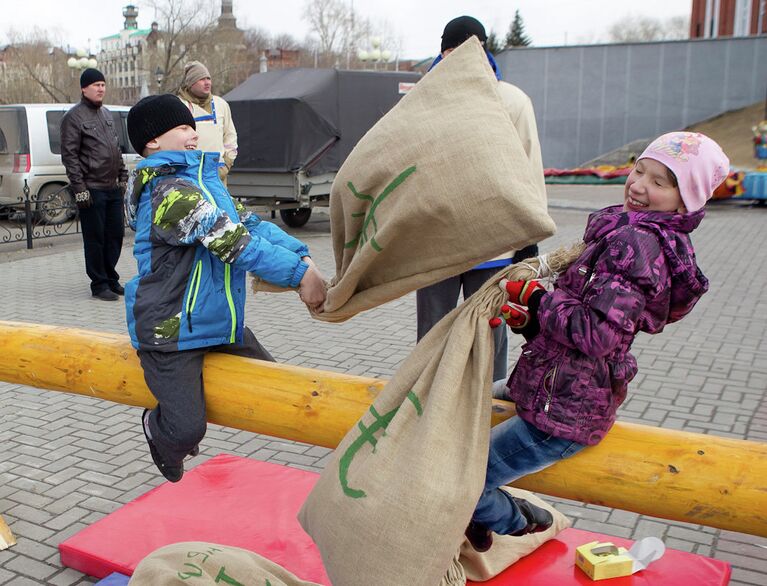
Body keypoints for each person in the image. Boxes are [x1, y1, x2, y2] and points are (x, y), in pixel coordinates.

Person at [464, 131, 729, 552]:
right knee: (464, 403)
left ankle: (516, 520)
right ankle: (478, 517)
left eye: (660, 182)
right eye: (639, 170)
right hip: (547, 386)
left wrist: (538, 297)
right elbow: (584, 321)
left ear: (686, 200)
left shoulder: (636, 244)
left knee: (464, 478)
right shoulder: (626, 230)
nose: (639, 186)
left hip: (562, 415)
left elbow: (597, 335)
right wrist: (532, 320)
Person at [124, 94, 326, 482]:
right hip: (171, 331)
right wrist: (299, 278)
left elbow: (249, 224)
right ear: (152, 141)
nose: (193, 133)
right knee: (187, 428)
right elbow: (230, 241)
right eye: (182, 127)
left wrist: (301, 257)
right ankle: (158, 429)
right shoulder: (168, 192)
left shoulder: (204, 182)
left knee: (274, 384)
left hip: (214, 323)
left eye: (192, 125)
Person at [416, 15, 546, 383]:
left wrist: (527, 241)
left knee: (490, 334)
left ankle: (487, 411)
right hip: (435, 246)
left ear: (482, 49)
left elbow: (529, 168)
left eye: (468, 49)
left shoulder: (512, 101)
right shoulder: (423, 103)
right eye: (451, 50)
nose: (458, 57)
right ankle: (425, 404)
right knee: (431, 335)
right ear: (443, 51)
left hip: (493, 247)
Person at [60, 68, 127, 301]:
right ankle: (99, 284)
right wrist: (80, 190)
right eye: (96, 84)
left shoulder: (107, 114)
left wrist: (123, 175)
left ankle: (111, 278)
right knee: (95, 238)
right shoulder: (73, 117)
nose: (101, 88)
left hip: (112, 188)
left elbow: (115, 148)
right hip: (91, 189)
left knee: (115, 235)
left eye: (103, 84)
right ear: (84, 88)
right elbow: (70, 156)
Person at [177, 61, 238, 184]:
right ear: (190, 83)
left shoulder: (221, 104)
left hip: (218, 174)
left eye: (208, 78)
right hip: (190, 176)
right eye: (201, 79)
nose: (207, 82)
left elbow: (230, 137)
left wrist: (226, 164)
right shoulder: (179, 106)